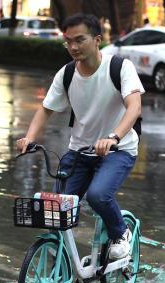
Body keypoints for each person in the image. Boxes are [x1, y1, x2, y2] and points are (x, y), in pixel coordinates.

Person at [16, 13, 144, 259]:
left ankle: (121, 233)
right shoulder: (66, 74)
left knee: (97, 195)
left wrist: (114, 137)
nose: (73, 47)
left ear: (97, 40)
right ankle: (62, 269)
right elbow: (45, 109)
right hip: (79, 152)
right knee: (56, 210)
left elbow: (134, 107)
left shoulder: (120, 67)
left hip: (119, 150)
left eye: (79, 40)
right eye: (68, 41)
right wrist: (29, 138)